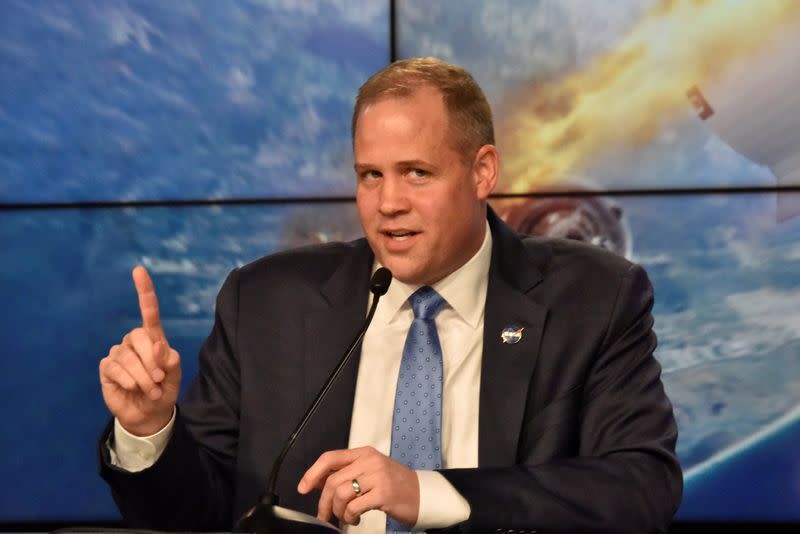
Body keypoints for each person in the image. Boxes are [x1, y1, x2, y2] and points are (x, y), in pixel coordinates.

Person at [98, 57, 682, 533]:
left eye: (417, 173)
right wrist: (150, 430)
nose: (388, 203)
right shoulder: (265, 302)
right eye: (370, 175)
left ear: (483, 173)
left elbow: (639, 489)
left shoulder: (594, 299)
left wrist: (425, 492)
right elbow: (195, 518)